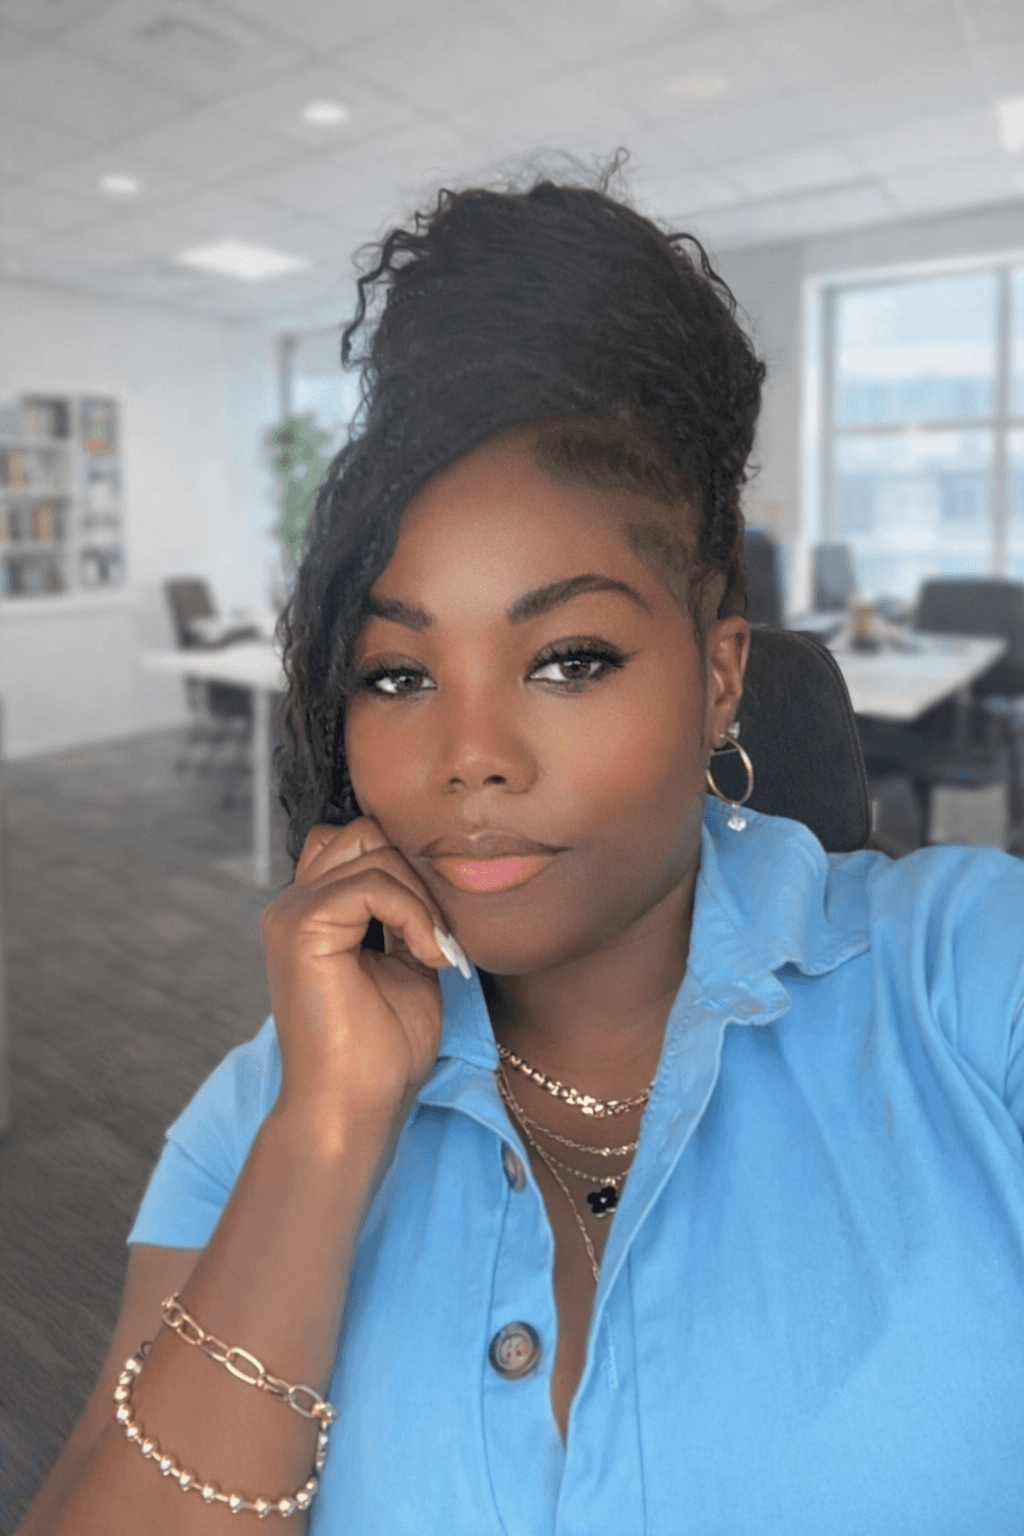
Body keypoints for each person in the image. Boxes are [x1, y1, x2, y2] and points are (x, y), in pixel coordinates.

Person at [19, 174, 1024, 1536]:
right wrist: (328, 1133)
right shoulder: (267, 1102)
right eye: (396, 674)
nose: (469, 756)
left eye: (571, 659)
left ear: (720, 678)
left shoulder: (967, 977)